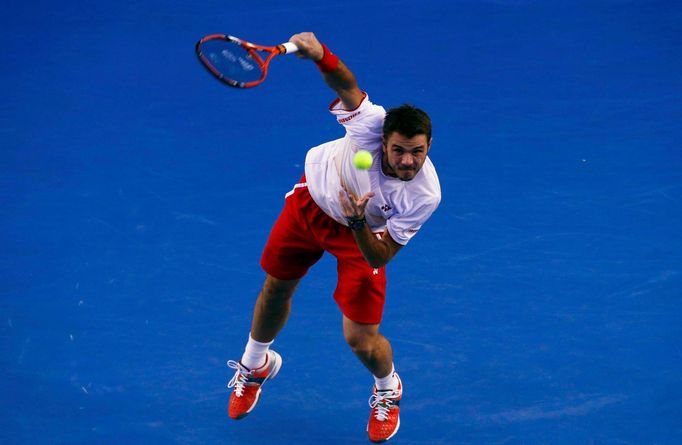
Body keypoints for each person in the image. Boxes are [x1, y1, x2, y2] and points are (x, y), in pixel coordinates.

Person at [226, 31, 441, 443]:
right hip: (310, 207)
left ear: (429, 145)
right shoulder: (369, 125)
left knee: (360, 339)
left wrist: (358, 221)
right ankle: (256, 364)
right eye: (399, 150)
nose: (408, 161)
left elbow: (380, 257)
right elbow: (346, 83)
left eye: (418, 151)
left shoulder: (426, 195)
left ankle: (387, 388)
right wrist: (320, 53)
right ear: (383, 140)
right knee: (275, 288)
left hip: (363, 237)